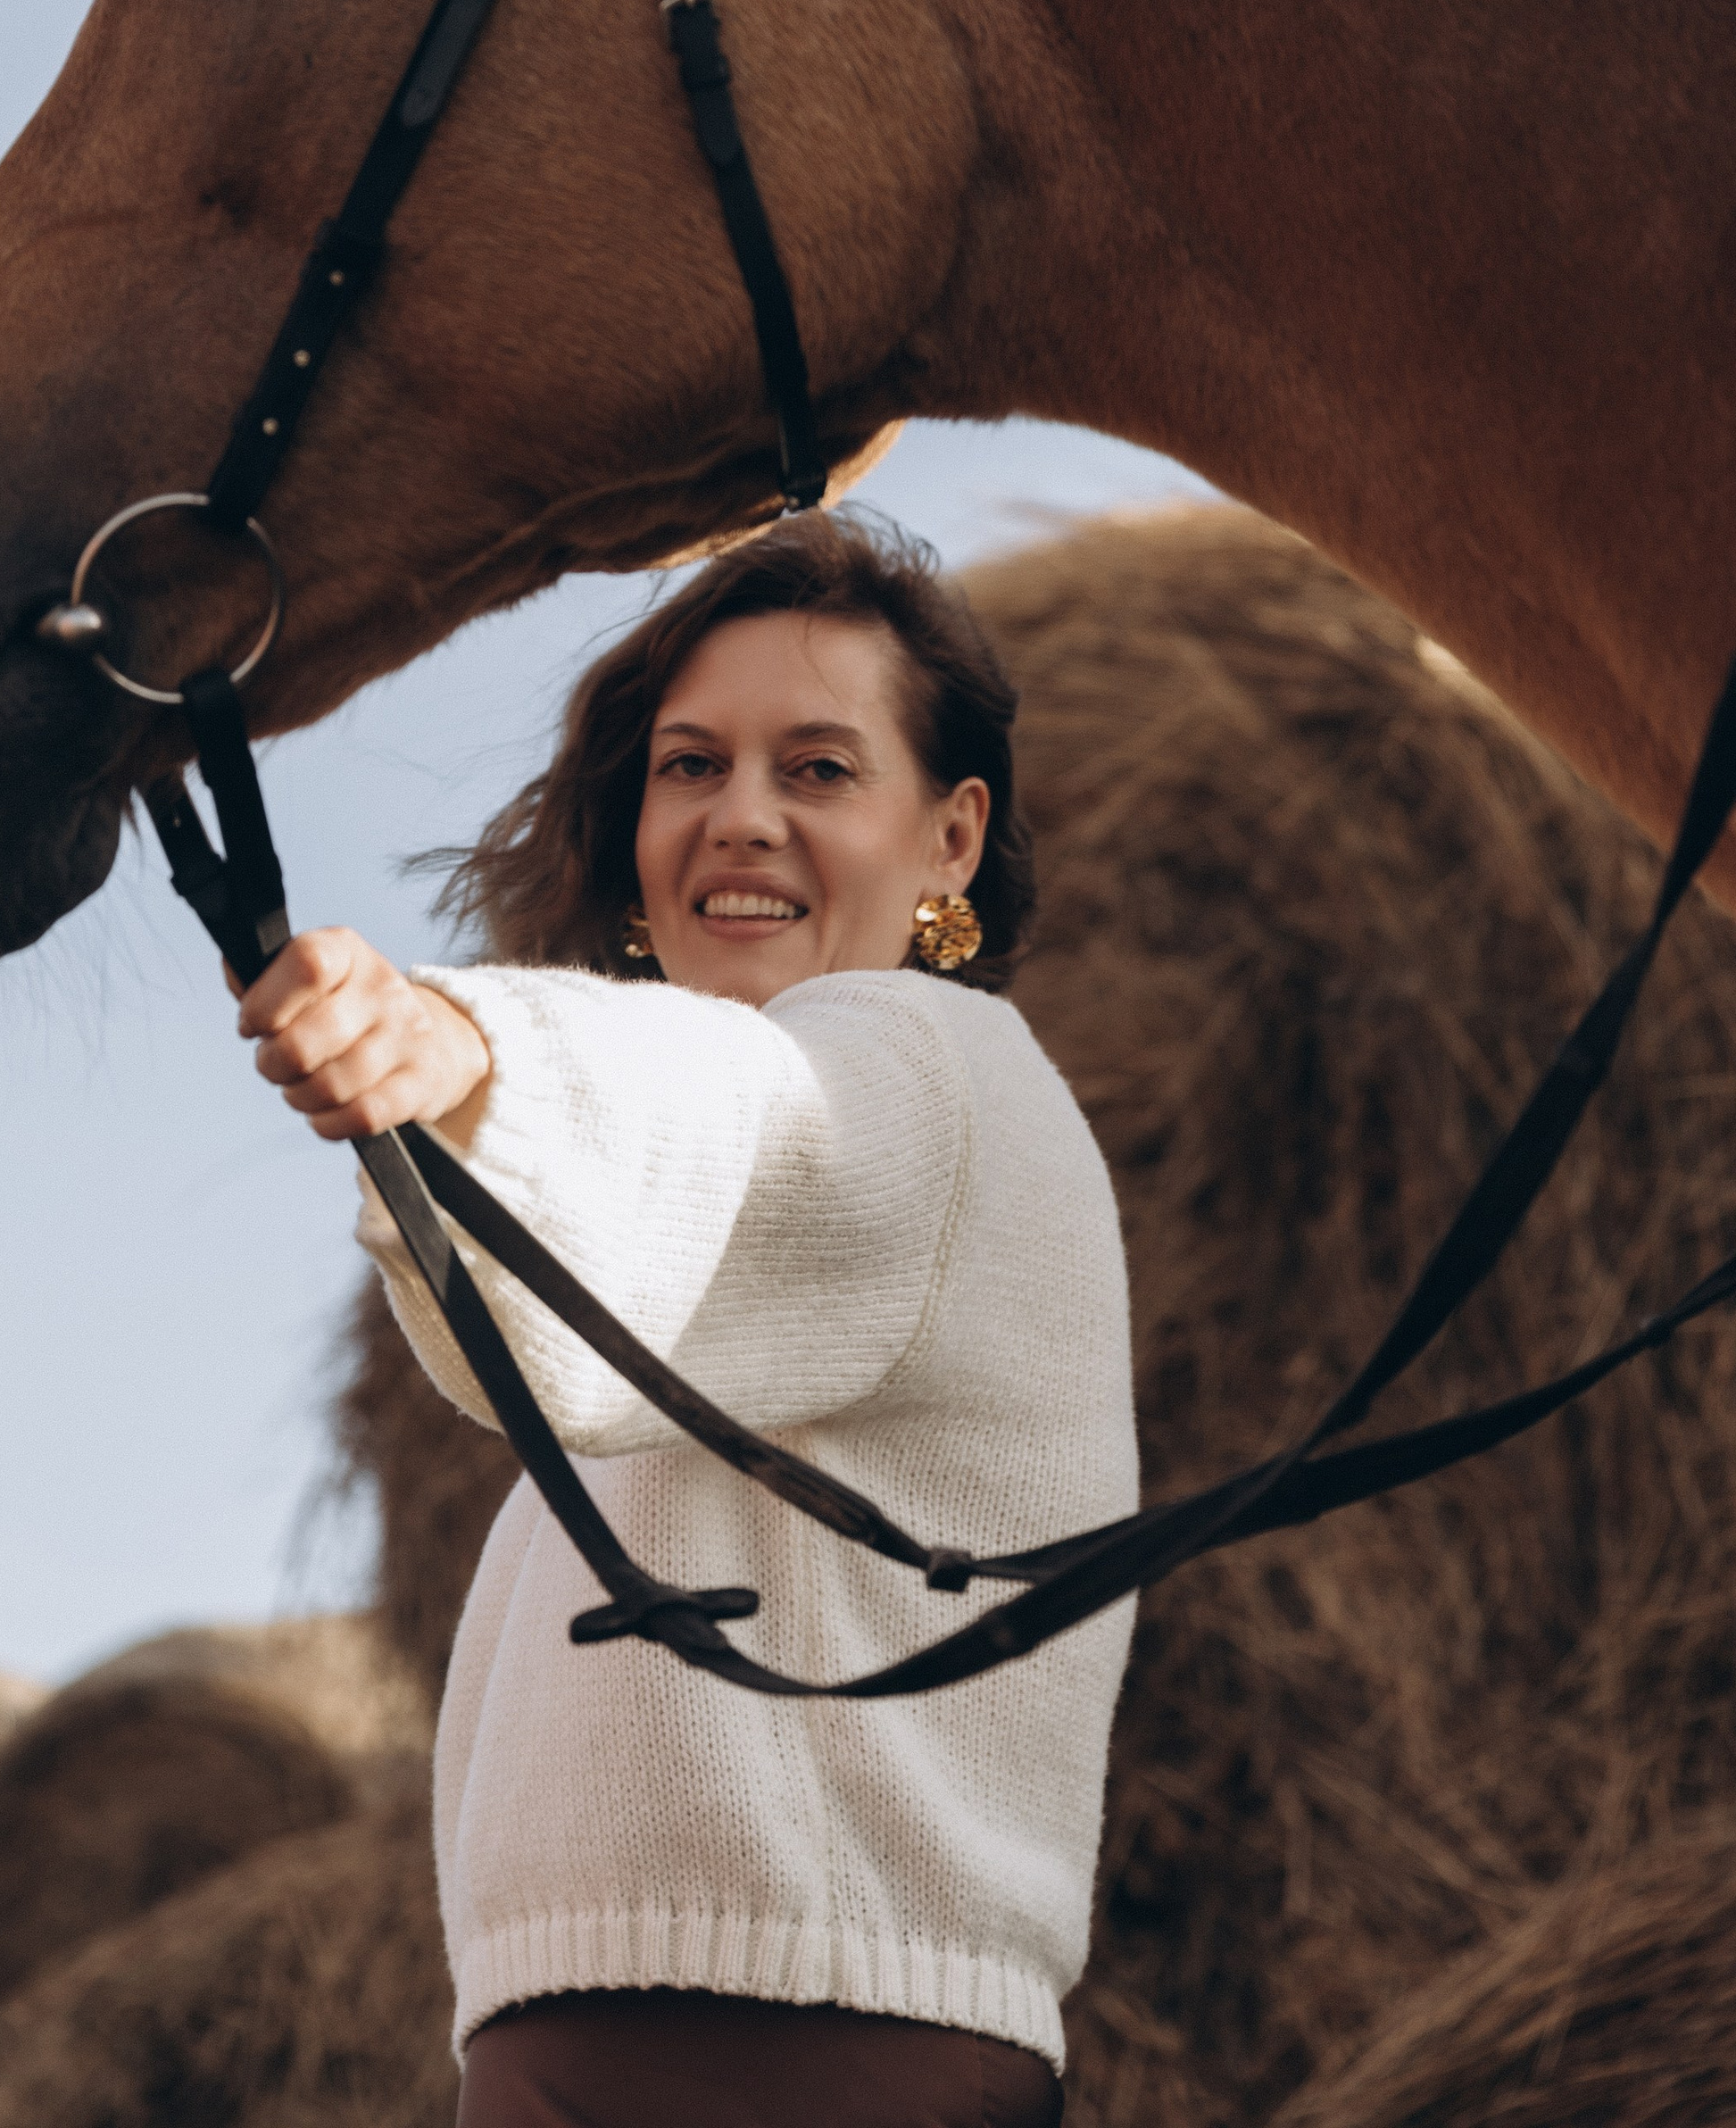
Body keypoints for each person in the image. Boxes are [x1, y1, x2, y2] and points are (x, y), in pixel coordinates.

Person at [237, 514, 1138, 2128]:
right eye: (691, 765)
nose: (741, 818)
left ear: (951, 838)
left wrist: (461, 1048)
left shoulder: (941, 1076)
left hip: (815, 2071)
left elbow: (755, 1123)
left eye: (818, 769)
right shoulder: (757, 1234)